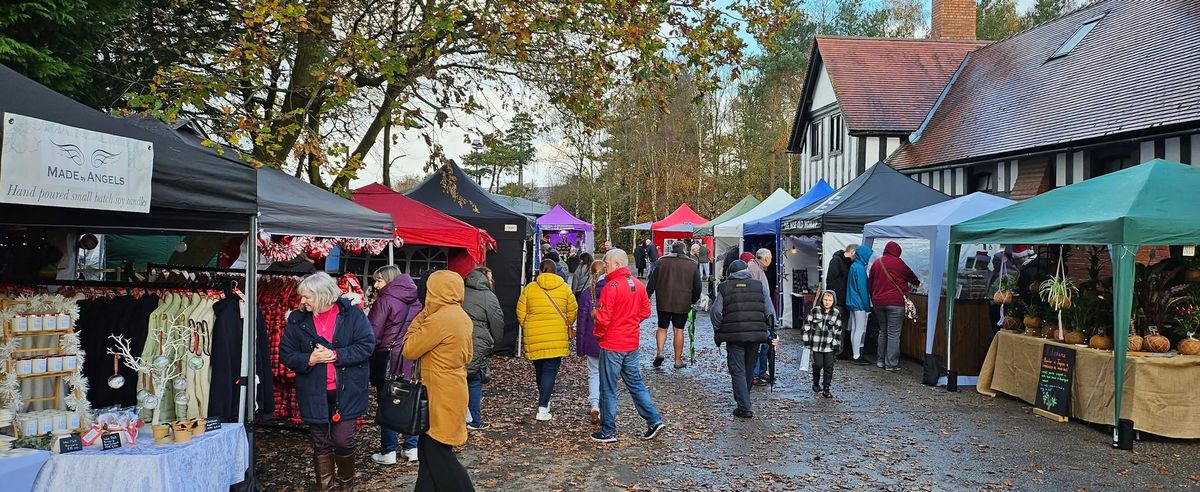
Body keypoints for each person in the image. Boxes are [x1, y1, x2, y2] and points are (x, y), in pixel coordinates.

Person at [279, 272, 375, 491]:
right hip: (314, 392)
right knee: (321, 443)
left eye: (307, 297)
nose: (302, 301)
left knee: (343, 441)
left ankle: (346, 487)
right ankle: (327, 489)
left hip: (347, 391)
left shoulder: (352, 315)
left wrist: (336, 355)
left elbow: (367, 345)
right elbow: (286, 353)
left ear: (322, 296)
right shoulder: (297, 320)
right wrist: (309, 358)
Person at [401, 270, 475, 491]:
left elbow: (410, 348)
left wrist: (421, 316)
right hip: (451, 388)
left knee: (437, 453)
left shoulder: (439, 319)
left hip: (438, 393)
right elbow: (468, 355)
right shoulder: (460, 315)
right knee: (428, 450)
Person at [591, 248, 666, 443]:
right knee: (636, 384)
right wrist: (629, 322)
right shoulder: (638, 285)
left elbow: (603, 319)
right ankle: (654, 420)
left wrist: (599, 332)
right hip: (630, 343)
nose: (605, 267)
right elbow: (645, 311)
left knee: (608, 388)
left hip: (613, 343)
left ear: (616, 263)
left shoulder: (611, 287)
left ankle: (608, 431)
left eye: (607, 263)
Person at [367, 266, 422, 465]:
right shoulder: (417, 299)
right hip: (412, 355)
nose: (375, 284)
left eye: (378, 280)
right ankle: (411, 446)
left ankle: (388, 450)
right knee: (411, 399)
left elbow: (372, 333)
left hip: (389, 357)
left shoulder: (384, 301)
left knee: (388, 402)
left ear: (388, 280)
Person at [710, 260, 775, 418]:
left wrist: (719, 329)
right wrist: (773, 331)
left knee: (737, 369)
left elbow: (716, 312)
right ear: (746, 270)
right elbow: (769, 310)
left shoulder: (724, 287)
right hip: (755, 335)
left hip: (734, 336)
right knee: (749, 367)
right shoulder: (759, 286)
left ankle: (744, 406)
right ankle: (744, 399)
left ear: (730, 273)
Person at [517, 259, 578, 421]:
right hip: (557, 335)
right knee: (550, 371)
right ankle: (543, 407)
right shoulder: (564, 288)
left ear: (540, 271)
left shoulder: (530, 288)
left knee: (540, 369)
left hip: (535, 334)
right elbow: (573, 310)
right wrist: (567, 324)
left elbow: (520, 311)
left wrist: (528, 326)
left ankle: (544, 400)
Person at [645, 241, 701, 369]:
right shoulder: (692, 264)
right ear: (684, 249)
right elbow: (697, 287)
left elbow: (651, 283)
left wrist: (647, 296)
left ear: (672, 249)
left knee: (662, 327)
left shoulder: (661, 262)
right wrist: (693, 300)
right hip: (682, 302)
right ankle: (677, 360)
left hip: (663, 301)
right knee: (678, 330)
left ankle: (659, 353)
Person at [462, 267, 504, 431]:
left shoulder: (460, 291)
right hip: (479, 341)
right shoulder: (488, 296)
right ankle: (474, 418)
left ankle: (460, 415)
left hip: (459, 339)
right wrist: (495, 342)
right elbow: (497, 322)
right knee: (474, 378)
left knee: (460, 376)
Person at [868, 241, 919, 371]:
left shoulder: (876, 263)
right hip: (895, 303)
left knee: (883, 331)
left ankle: (880, 361)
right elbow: (913, 278)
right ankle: (890, 364)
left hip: (878, 303)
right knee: (893, 334)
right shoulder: (899, 263)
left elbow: (870, 284)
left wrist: (874, 298)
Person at [576, 260, 606, 423]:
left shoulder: (587, 293)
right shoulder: (613, 289)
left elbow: (581, 321)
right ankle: (605, 406)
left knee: (593, 373)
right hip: (610, 340)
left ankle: (595, 404)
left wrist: (580, 347)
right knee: (608, 375)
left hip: (591, 339)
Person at [802, 290, 843, 398]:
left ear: (833, 301)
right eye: (825, 299)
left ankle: (826, 388)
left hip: (829, 345)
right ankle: (816, 382)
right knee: (818, 365)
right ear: (822, 300)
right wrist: (806, 340)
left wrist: (837, 344)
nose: (827, 302)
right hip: (816, 344)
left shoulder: (836, 313)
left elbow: (838, 330)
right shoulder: (815, 311)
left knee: (829, 367)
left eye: (830, 300)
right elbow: (807, 326)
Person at [747, 248, 775, 384]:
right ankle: (756, 374)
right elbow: (764, 296)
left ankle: (760, 372)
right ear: (765, 259)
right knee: (760, 344)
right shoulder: (755, 270)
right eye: (770, 259)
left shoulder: (754, 268)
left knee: (763, 344)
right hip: (758, 314)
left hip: (756, 313)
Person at [845, 245, 873, 364]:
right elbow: (862, 289)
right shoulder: (860, 268)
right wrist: (867, 306)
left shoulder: (854, 266)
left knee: (854, 329)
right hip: (859, 303)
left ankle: (854, 353)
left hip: (851, 301)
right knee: (860, 329)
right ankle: (857, 355)